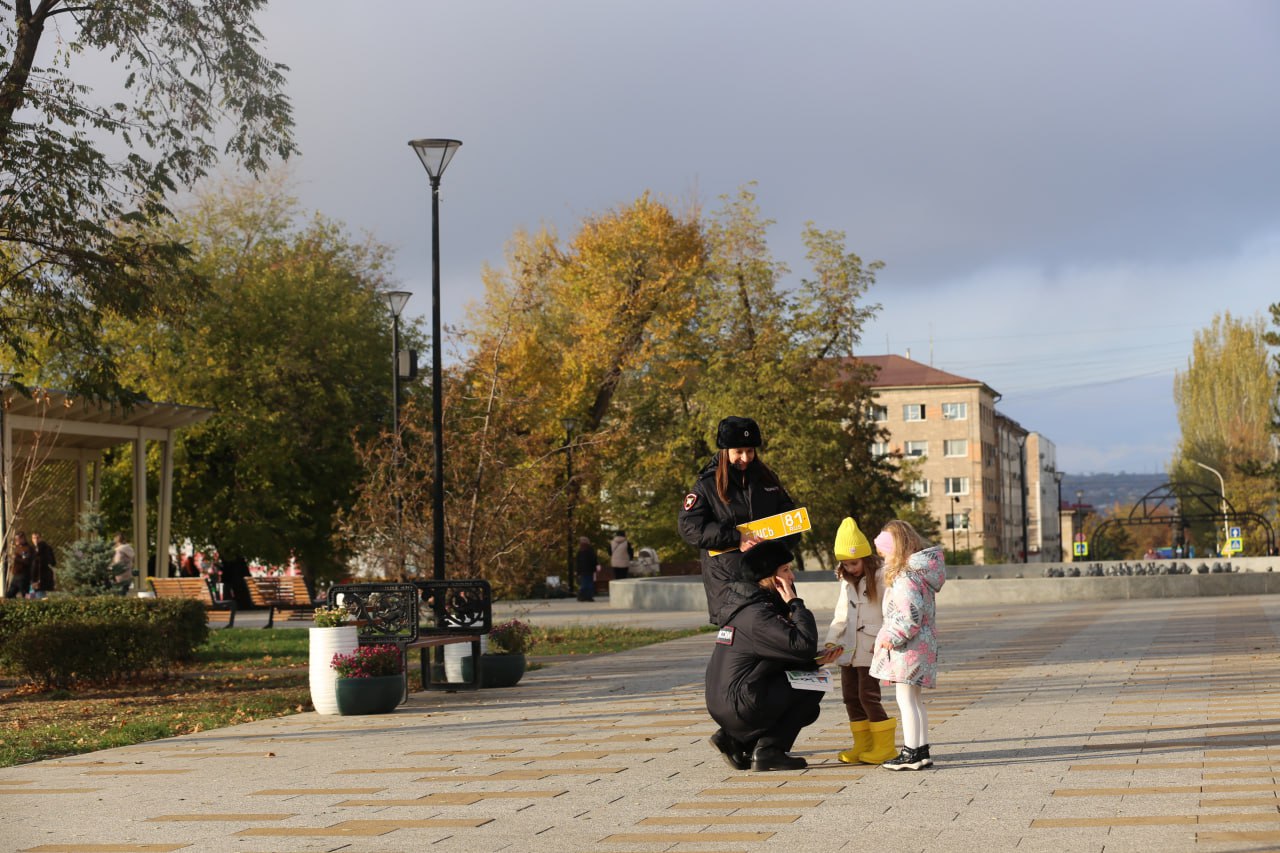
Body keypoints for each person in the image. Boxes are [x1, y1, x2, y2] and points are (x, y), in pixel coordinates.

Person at [704, 540, 823, 772]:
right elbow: (803, 645)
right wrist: (796, 604)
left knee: (809, 677)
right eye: (786, 570)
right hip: (739, 704)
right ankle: (770, 751)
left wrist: (815, 660)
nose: (792, 577)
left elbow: (783, 655)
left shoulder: (748, 606)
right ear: (770, 577)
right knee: (813, 686)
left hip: (727, 701)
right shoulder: (758, 614)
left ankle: (735, 740)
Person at [677, 416, 799, 626]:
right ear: (725, 452)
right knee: (745, 644)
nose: (745, 457)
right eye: (738, 452)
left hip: (770, 579)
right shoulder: (707, 485)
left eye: (750, 451)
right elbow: (690, 527)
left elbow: (792, 523)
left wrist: (775, 546)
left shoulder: (768, 479)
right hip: (730, 581)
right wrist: (736, 538)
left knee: (780, 642)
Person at [869, 519, 946, 771]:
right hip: (920, 646)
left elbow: (908, 617)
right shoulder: (919, 574)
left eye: (884, 554)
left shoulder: (905, 578)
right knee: (915, 700)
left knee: (906, 700)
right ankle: (921, 749)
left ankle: (911, 752)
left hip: (907, 649)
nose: (883, 560)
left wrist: (890, 638)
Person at [821, 517, 897, 764]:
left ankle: (884, 746)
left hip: (872, 646)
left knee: (868, 695)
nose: (850, 568)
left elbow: (890, 611)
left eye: (853, 563)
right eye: (844, 563)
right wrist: (832, 641)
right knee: (850, 696)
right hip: (848, 649)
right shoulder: (846, 580)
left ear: (865, 557)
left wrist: (885, 636)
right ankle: (862, 745)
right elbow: (841, 613)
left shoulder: (882, 577)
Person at [5, 531, 34, 598]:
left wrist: (16, 558)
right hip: (16, 575)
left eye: (17, 539)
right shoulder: (18, 548)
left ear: (23, 539)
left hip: (23, 575)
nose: (16, 541)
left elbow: (26, 561)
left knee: (24, 594)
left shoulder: (27, 549)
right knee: (9, 594)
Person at [30, 531, 56, 599]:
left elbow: (52, 562)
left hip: (42, 577)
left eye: (37, 538)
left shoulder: (46, 548)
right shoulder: (31, 549)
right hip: (32, 578)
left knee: (40, 595)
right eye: (34, 538)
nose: (35, 540)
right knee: (32, 597)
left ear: (41, 538)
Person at [575, 537, 598, 602]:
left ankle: (582, 596)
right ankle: (588, 596)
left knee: (584, 583)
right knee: (589, 583)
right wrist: (595, 567)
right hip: (589, 569)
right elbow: (594, 559)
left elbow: (578, 562)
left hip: (583, 570)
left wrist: (577, 570)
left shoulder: (580, 551)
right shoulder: (590, 550)